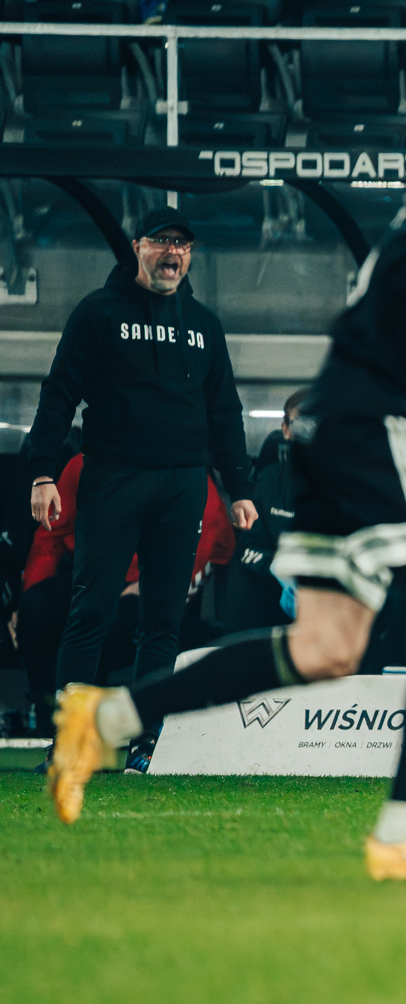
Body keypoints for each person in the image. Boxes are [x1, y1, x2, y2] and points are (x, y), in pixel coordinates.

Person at [46, 52, 406, 885]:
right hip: (371, 430)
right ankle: (403, 828)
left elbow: (389, 328)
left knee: (327, 645)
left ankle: (107, 716)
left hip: (338, 424)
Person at [25, 207, 256, 699]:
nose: (173, 251)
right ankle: (71, 733)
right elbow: (59, 393)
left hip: (183, 484)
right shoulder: (99, 312)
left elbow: (224, 409)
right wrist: (42, 472)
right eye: (161, 241)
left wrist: (240, 487)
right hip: (114, 477)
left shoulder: (204, 324)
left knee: (164, 621)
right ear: (138, 248)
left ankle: (147, 736)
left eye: (182, 244)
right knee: (91, 612)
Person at [20, 450, 238, 771]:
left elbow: (212, 544)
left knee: (139, 621)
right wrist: (30, 595)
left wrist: (155, 587)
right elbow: (50, 535)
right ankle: (53, 724)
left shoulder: (186, 470)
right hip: (95, 576)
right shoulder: (85, 464)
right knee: (40, 609)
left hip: (148, 584)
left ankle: (143, 738)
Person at [222, 388, 309, 632]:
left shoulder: (347, 484)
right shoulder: (268, 480)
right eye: (300, 423)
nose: (307, 432)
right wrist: (285, 573)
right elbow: (249, 546)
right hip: (271, 589)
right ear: (286, 430)